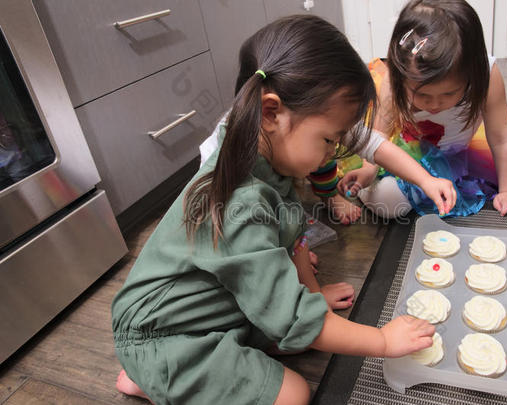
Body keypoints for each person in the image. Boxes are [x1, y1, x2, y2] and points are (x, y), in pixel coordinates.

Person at [111, 15, 435, 405]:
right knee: (294, 394)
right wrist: (381, 340)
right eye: (329, 140)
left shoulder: (268, 160)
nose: (332, 154)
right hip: (164, 336)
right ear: (271, 113)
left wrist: (311, 300)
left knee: (300, 339)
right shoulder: (240, 202)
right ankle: (148, 376)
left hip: (212, 312)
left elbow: (294, 241)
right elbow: (299, 320)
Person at [337, 0, 507, 220]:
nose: (434, 104)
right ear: (402, 77)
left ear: (471, 71)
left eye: (448, 94)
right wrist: (368, 170)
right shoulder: (395, 80)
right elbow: (378, 135)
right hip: (405, 154)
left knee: (460, 189)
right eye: (422, 95)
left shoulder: (486, 75)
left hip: (456, 156)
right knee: (388, 202)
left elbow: (501, 138)